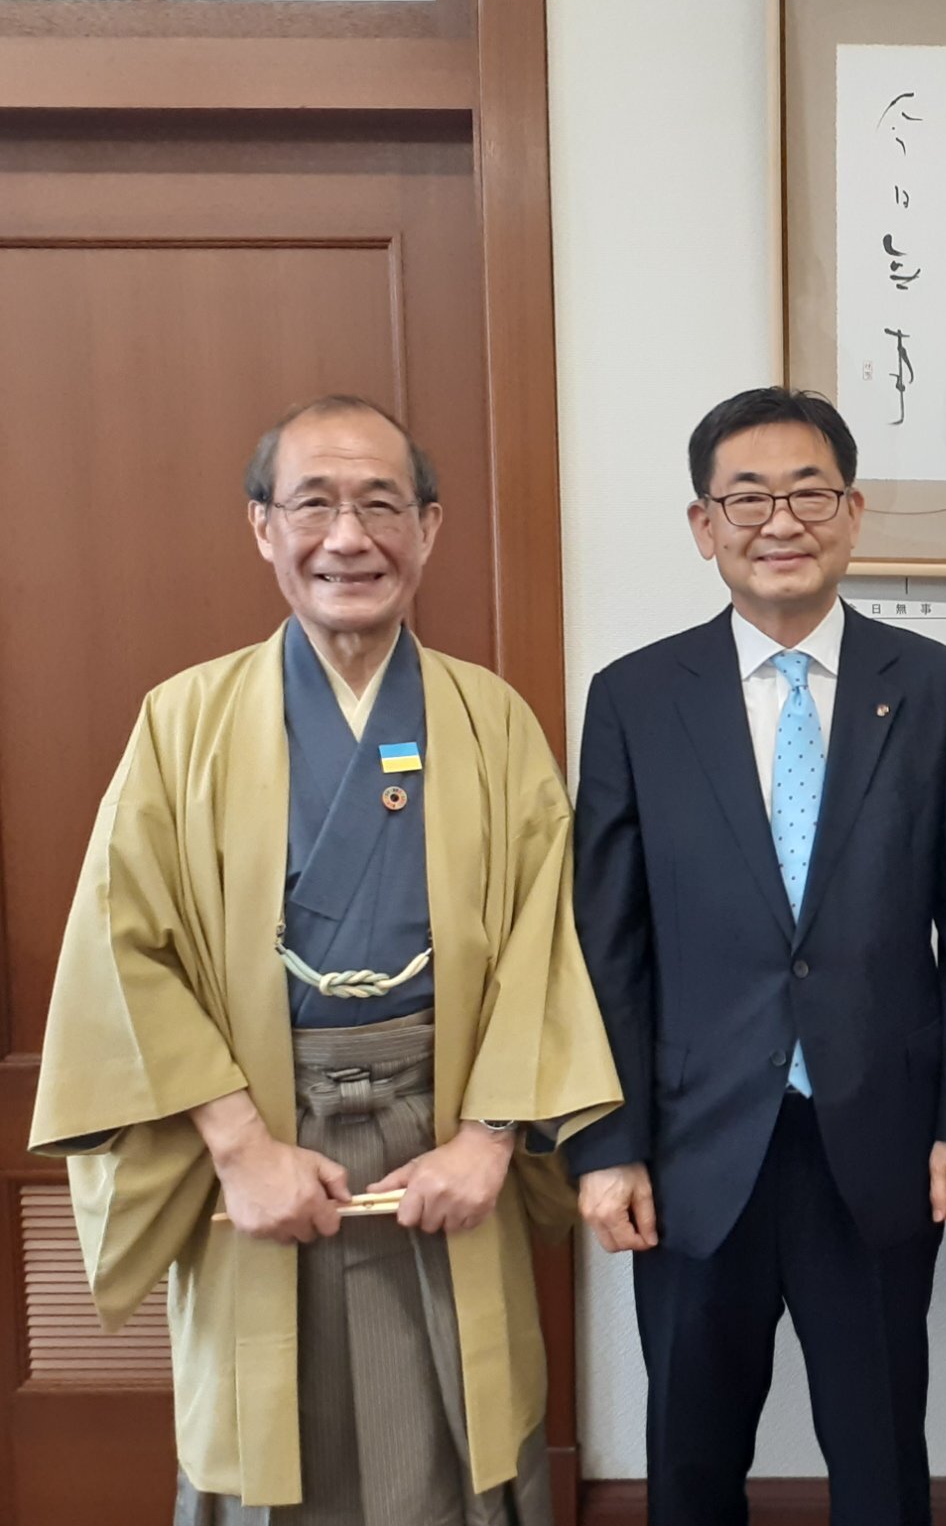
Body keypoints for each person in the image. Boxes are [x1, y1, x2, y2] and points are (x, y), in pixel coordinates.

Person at [28, 394, 622, 1523]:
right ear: (263, 526)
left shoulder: (491, 721)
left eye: (381, 505)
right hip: (257, 1128)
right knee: (267, 1431)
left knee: (457, 1428)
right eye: (314, 504)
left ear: (428, 527)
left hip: (444, 1127)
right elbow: (122, 945)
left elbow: (550, 941)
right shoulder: (183, 721)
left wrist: (492, 1138)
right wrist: (237, 1145)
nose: (348, 538)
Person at [566, 387, 946, 1526]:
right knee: (689, 1462)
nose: (781, 521)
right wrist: (606, 1144)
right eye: (748, 497)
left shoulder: (938, 692)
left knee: (880, 1460)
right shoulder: (633, 699)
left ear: (853, 513)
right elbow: (606, 942)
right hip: (691, 1148)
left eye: (809, 493)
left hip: (875, 1140)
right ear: (703, 524)